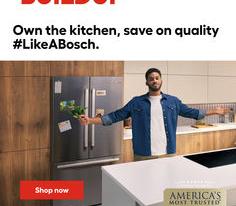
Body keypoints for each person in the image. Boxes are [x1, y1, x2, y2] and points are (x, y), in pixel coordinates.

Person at [78, 68, 230, 161]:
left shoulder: (173, 101)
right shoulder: (136, 102)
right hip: (143, 153)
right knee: (143, 188)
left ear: (161, 80)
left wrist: (214, 111)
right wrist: (90, 120)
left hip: (167, 152)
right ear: (147, 82)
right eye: (151, 79)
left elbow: (193, 113)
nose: (154, 81)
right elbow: (115, 116)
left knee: (164, 187)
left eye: (157, 78)